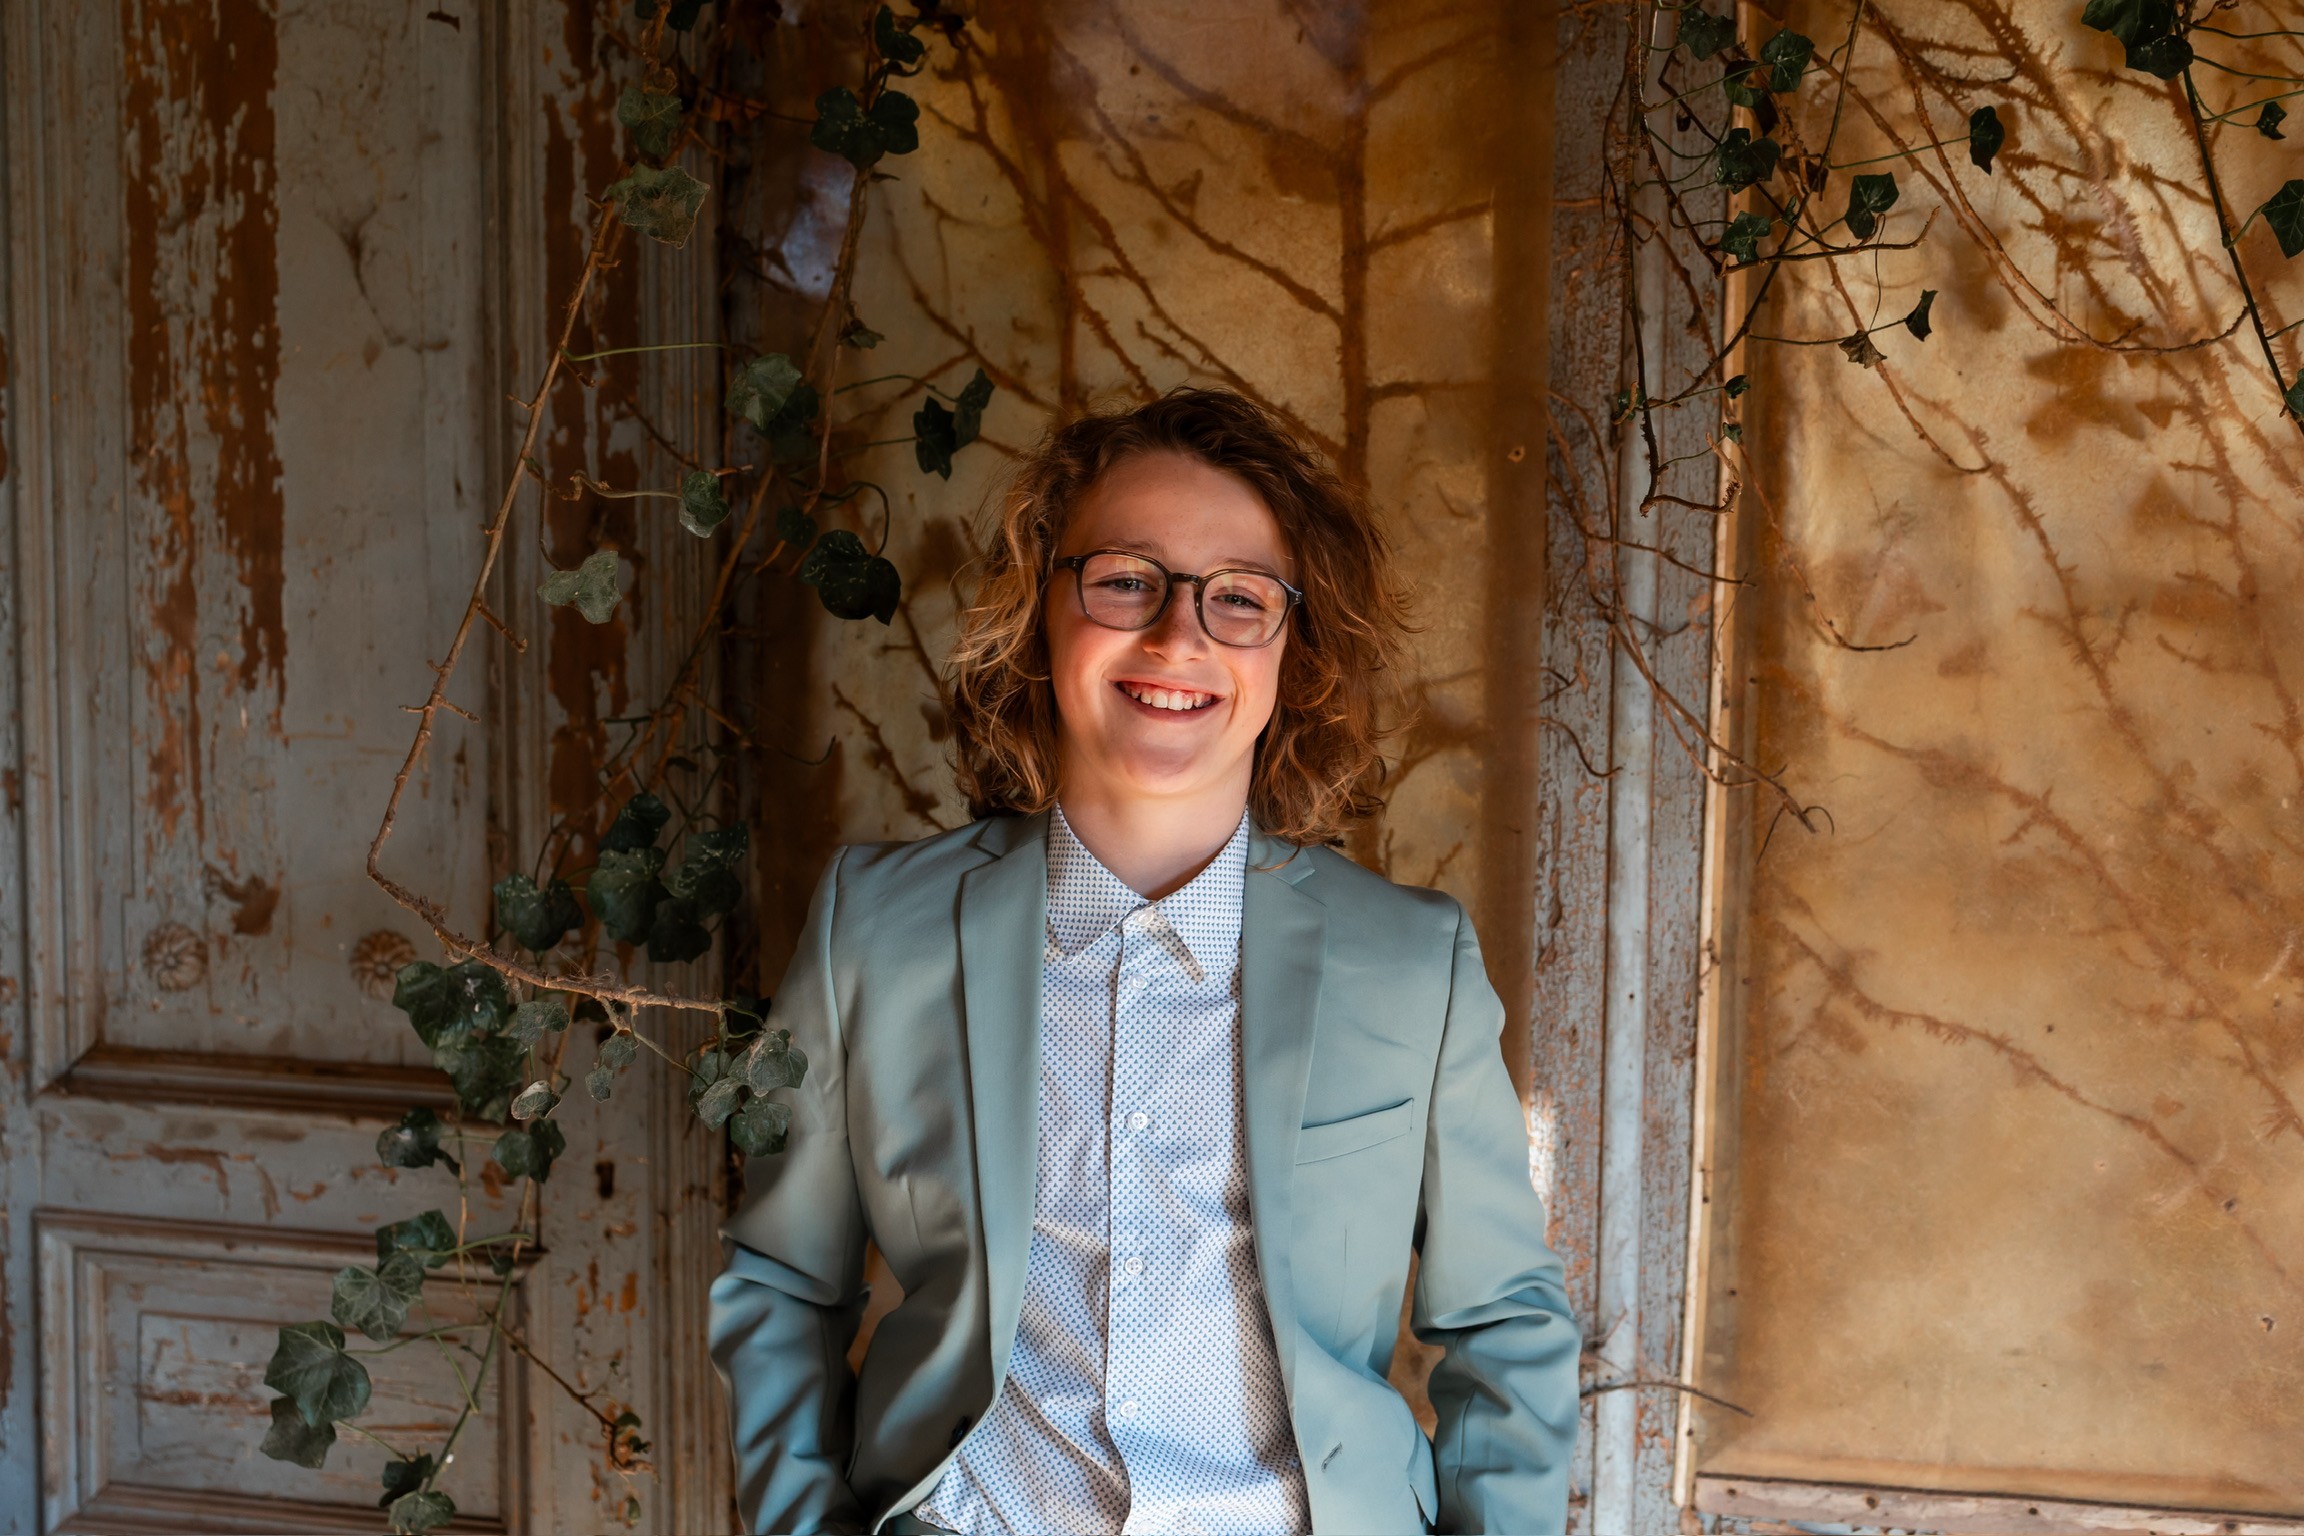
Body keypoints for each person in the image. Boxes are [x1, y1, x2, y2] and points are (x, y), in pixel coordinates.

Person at [709, 387, 1580, 1535]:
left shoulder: (1414, 964)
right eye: (1126, 580)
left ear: (1295, 649)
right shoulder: (874, 929)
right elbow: (784, 1282)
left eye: (1239, 597)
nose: (1178, 638)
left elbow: (1506, 1320)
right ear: (1041, 606)